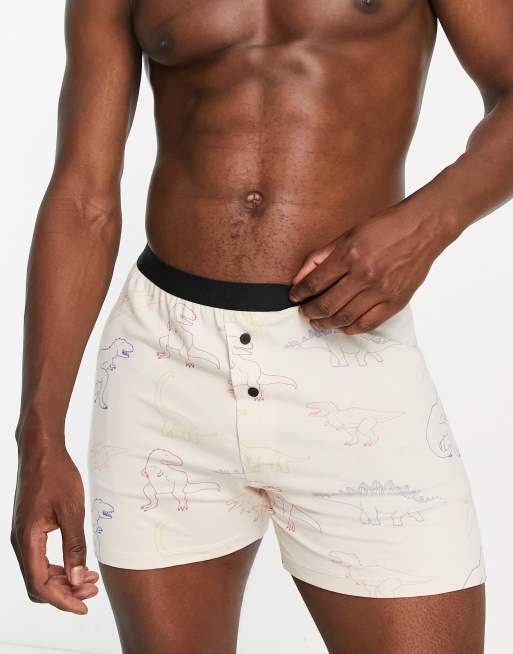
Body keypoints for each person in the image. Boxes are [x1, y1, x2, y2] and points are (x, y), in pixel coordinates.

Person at [11, 1, 513, 652]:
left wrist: (425, 225)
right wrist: (40, 439)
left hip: (351, 353)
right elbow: (83, 198)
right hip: (163, 367)